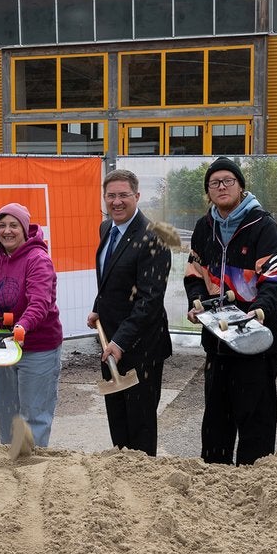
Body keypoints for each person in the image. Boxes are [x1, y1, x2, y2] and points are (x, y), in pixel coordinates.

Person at [182, 157, 277, 465]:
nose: (221, 187)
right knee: (216, 422)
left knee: (256, 424)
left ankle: (253, 481)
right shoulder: (204, 227)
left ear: (241, 186)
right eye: (214, 183)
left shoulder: (262, 226)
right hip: (218, 341)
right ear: (208, 191)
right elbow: (194, 273)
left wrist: (260, 309)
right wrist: (196, 302)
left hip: (256, 342)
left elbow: (274, 280)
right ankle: (215, 480)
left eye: (228, 181)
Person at [87, 168, 172, 456]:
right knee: (119, 423)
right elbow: (112, 277)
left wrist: (121, 342)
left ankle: (143, 479)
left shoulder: (154, 238)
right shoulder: (106, 229)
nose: (116, 202)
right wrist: (98, 308)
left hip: (140, 348)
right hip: (110, 343)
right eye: (110, 196)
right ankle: (121, 478)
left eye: (123, 195)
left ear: (137, 196)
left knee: (140, 428)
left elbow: (150, 300)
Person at [0, 202, 62, 447]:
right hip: (4, 345)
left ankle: (33, 465)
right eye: (2, 225)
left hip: (38, 347)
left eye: (14, 225)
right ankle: (11, 461)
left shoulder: (38, 259)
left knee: (34, 415)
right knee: (8, 413)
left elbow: (40, 303)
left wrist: (22, 327)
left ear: (25, 229)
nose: (7, 231)